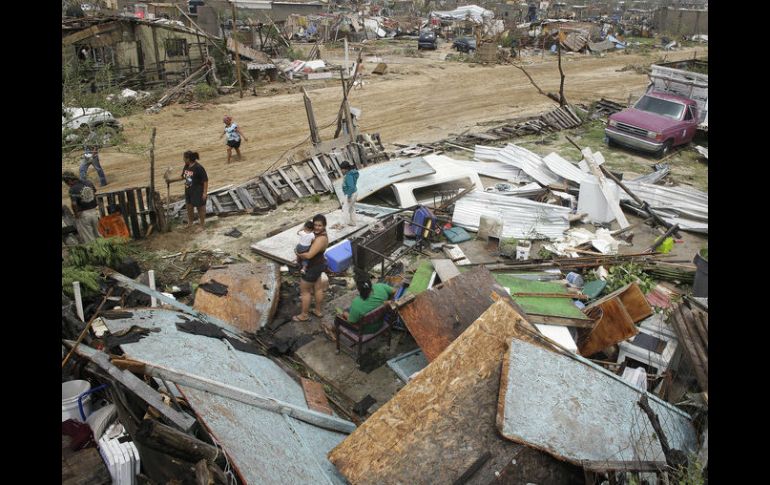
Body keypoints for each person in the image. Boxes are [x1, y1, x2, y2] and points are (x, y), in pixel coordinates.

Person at [293, 214, 330, 322]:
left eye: (320, 225)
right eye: (315, 225)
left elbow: (309, 256)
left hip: (312, 267)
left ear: (324, 226)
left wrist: (297, 253)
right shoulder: (318, 234)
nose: (317, 227)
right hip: (318, 265)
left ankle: (304, 315)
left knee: (305, 291)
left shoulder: (320, 239)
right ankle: (318, 311)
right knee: (318, 288)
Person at [168, 151, 209, 231]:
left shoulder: (198, 167)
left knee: (200, 208)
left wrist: (204, 193)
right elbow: (183, 176)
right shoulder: (186, 166)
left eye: (184, 158)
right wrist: (171, 180)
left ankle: (202, 225)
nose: (183, 159)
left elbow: (205, 180)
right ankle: (190, 223)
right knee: (189, 207)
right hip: (188, 190)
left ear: (188, 159)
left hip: (197, 191)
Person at [62, 170, 102, 243]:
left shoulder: (73, 189)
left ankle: (94, 250)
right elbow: (94, 192)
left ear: (69, 180)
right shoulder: (88, 182)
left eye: (66, 182)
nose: (68, 184)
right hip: (94, 212)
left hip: (83, 214)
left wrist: (76, 215)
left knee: (89, 238)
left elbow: (74, 204)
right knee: (98, 234)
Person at [340, 161, 359, 226]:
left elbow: (351, 187)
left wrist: (349, 196)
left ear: (346, 169)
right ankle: (353, 222)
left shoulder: (349, 175)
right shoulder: (351, 173)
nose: (341, 171)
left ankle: (342, 224)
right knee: (351, 208)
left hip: (351, 194)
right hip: (354, 192)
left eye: (342, 169)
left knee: (345, 208)